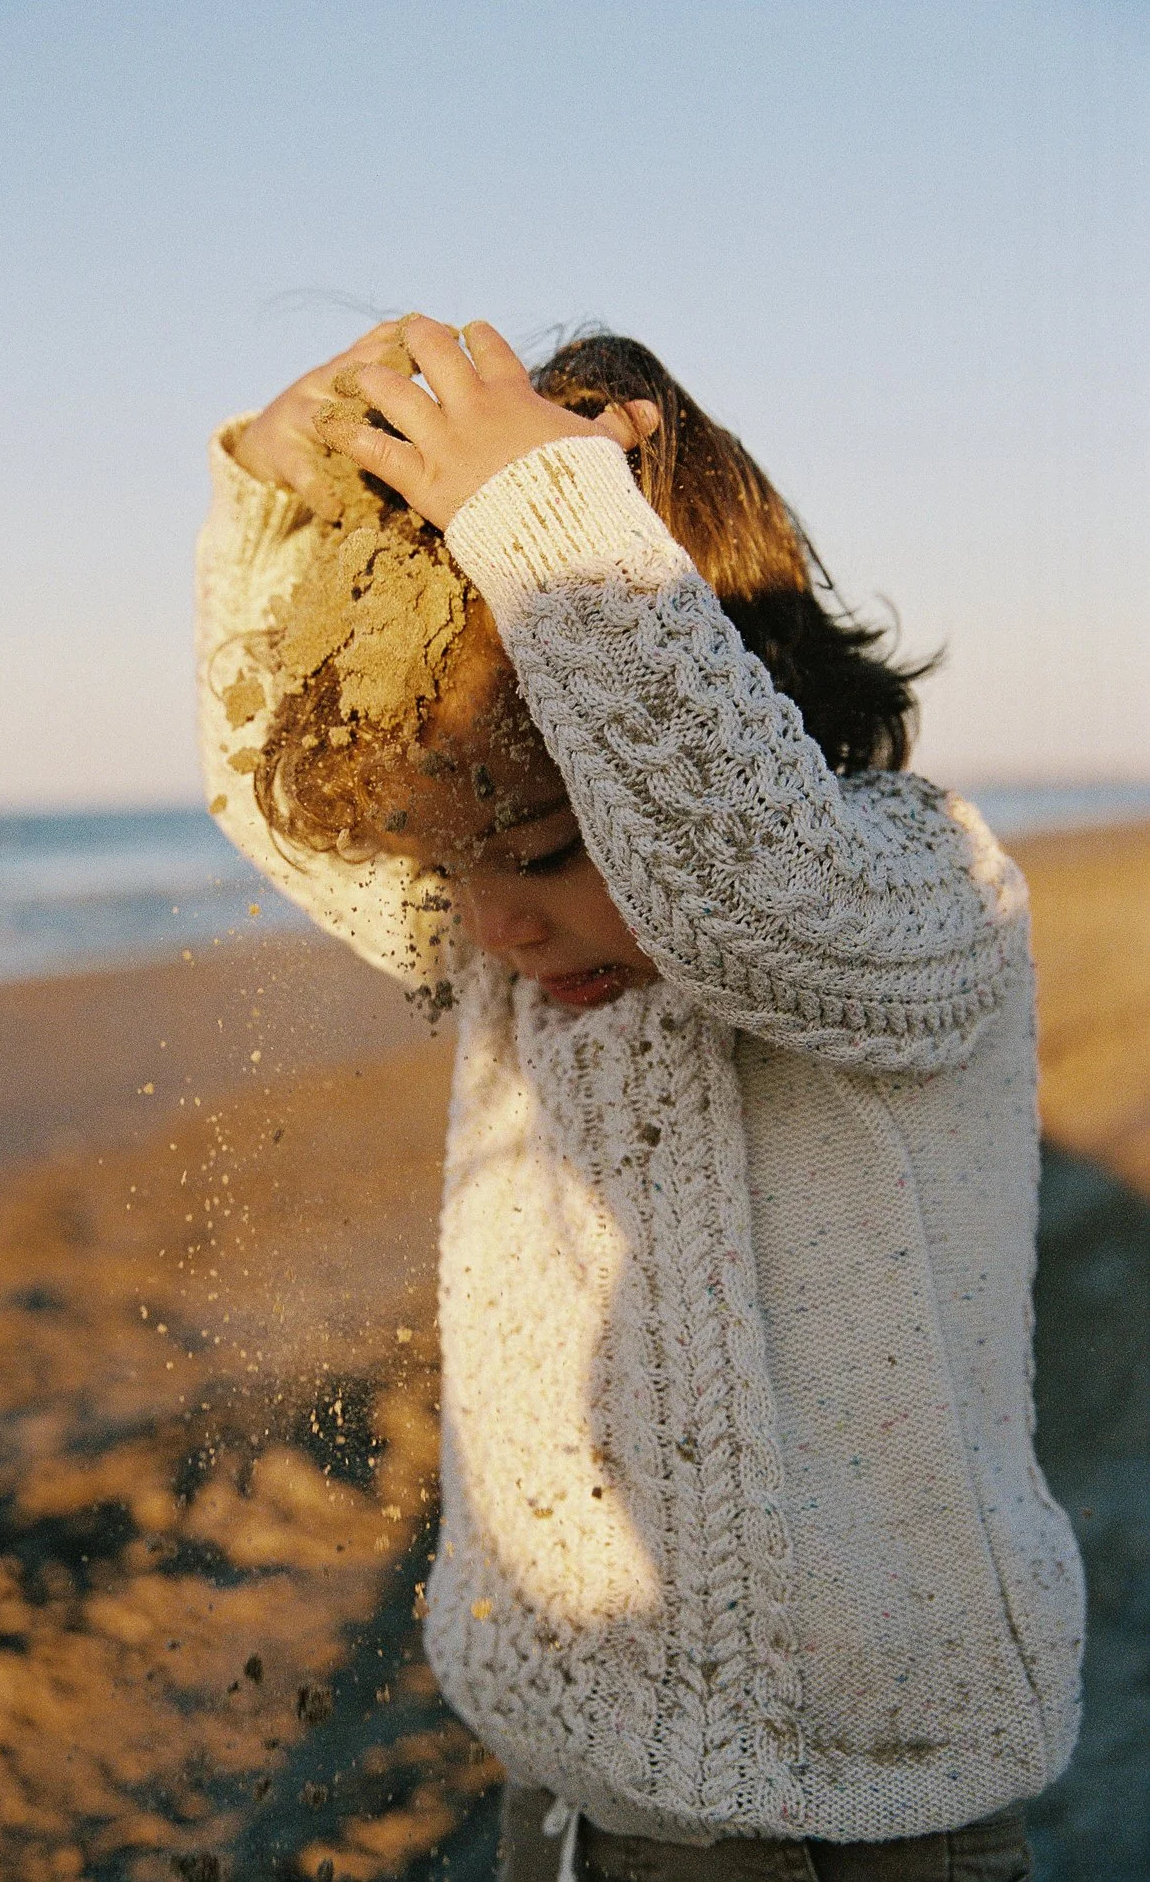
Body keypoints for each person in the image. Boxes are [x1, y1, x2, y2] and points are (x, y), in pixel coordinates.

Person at [196, 316, 1083, 1882]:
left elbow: (741, 884)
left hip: (880, 1784)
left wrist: (543, 516)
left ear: (721, 700)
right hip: (581, 1777)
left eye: (536, 852)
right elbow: (311, 816)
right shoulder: (520, 962)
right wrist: (282, 513)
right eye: (452, 871)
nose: (492, 925)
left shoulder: (902, 884)